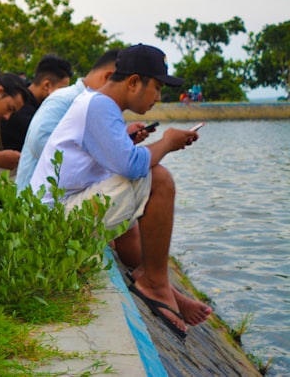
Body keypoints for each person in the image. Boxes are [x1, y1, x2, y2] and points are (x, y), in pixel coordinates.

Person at [29, 44, 211, 338]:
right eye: (157, 87)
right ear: (134, 82)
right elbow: (131, 166)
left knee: (139, 180)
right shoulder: (100, 106)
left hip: (49, 219)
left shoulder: (94, 103)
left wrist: (127, 140)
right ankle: (153, 281)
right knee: (159, 179)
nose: (158, 97)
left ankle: (154, 277)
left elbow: (108, 162)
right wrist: (166, 142)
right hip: (52, 226)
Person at [15, 49, 125, 192]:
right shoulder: (64, 99)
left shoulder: (91, 103)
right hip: (36, 200)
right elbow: (39, 142)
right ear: (108, 77)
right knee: (143, 181)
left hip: (60, 193)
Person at [1, 55, 73, 152]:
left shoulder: (33, 103)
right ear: (47, 85)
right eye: (62, 90)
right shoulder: (23, 112)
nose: (64, 95)